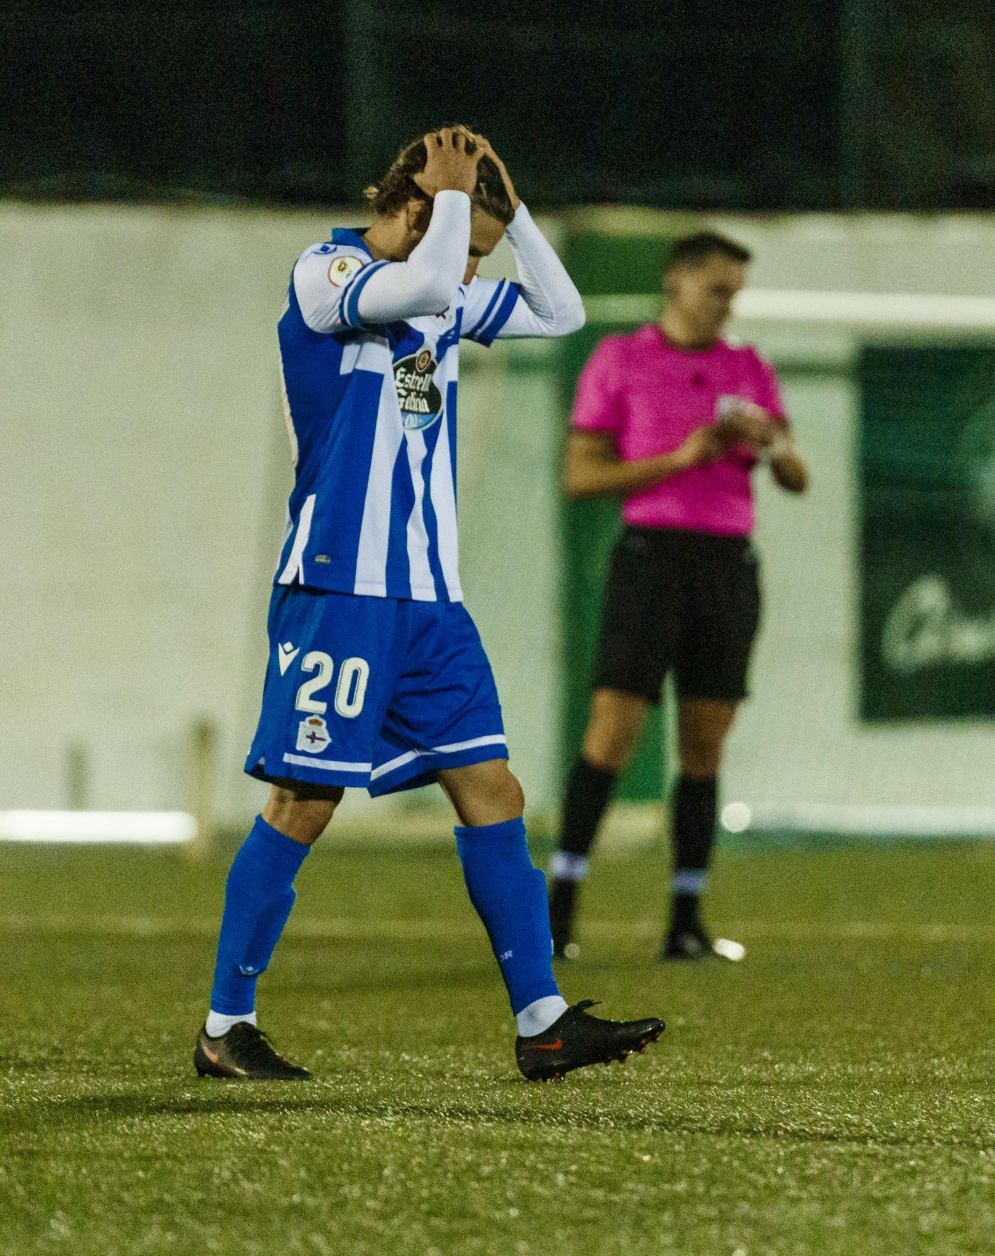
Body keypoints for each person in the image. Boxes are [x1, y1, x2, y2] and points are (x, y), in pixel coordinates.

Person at [194, 127, 665, 1082]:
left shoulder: (441, 290)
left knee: (493, 791)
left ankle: (541, 1022)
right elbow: (424, 284)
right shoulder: (325, 273)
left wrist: (512, 209)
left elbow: (561, 310)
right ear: (415, 210)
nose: (469, 267)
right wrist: (454, 205)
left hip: (429, 603)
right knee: (302, 800)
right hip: (340, 586)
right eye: (462, 237)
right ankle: (223, 1026)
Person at [547, 231, 808, 963]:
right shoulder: (620, 360)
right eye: (718, 289)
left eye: (735, 292)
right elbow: (580, 477)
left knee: (704, 743)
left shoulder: (747, 367)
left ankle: (684, 920)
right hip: (650, 559)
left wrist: (773, 447)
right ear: (677, 282)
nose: (728, 305)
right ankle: (557, 914)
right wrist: (681, 457)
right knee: (611, 733)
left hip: (726, 565)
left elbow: (795, 477)